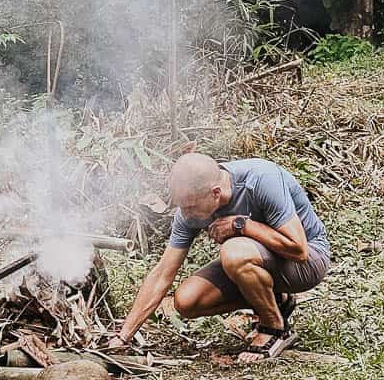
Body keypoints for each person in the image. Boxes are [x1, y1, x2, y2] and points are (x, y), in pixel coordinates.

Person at [110, 153, 331, 362]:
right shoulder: (189, 210)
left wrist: (242, 225)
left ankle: (274, 328)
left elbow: (299, 250)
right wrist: (123, 336)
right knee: (187, 301)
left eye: (190, 207)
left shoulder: (261, 180)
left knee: (234, 252)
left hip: (309, 261)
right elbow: (162, 274)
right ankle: (275, 301)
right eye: (181, 206)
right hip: (260, 263)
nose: (186, 214)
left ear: (216, 193)